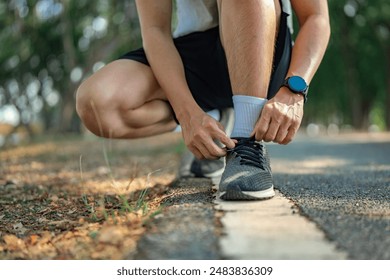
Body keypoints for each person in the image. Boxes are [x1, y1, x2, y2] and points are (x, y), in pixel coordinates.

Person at [76, 0, 330, 201]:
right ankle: (217, 120)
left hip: (265, 46)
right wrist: (188, 115)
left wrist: (294, 90)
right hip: (194, 51)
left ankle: (246, 143)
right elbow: (155, 30)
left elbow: (316, 17)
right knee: (97, 105)